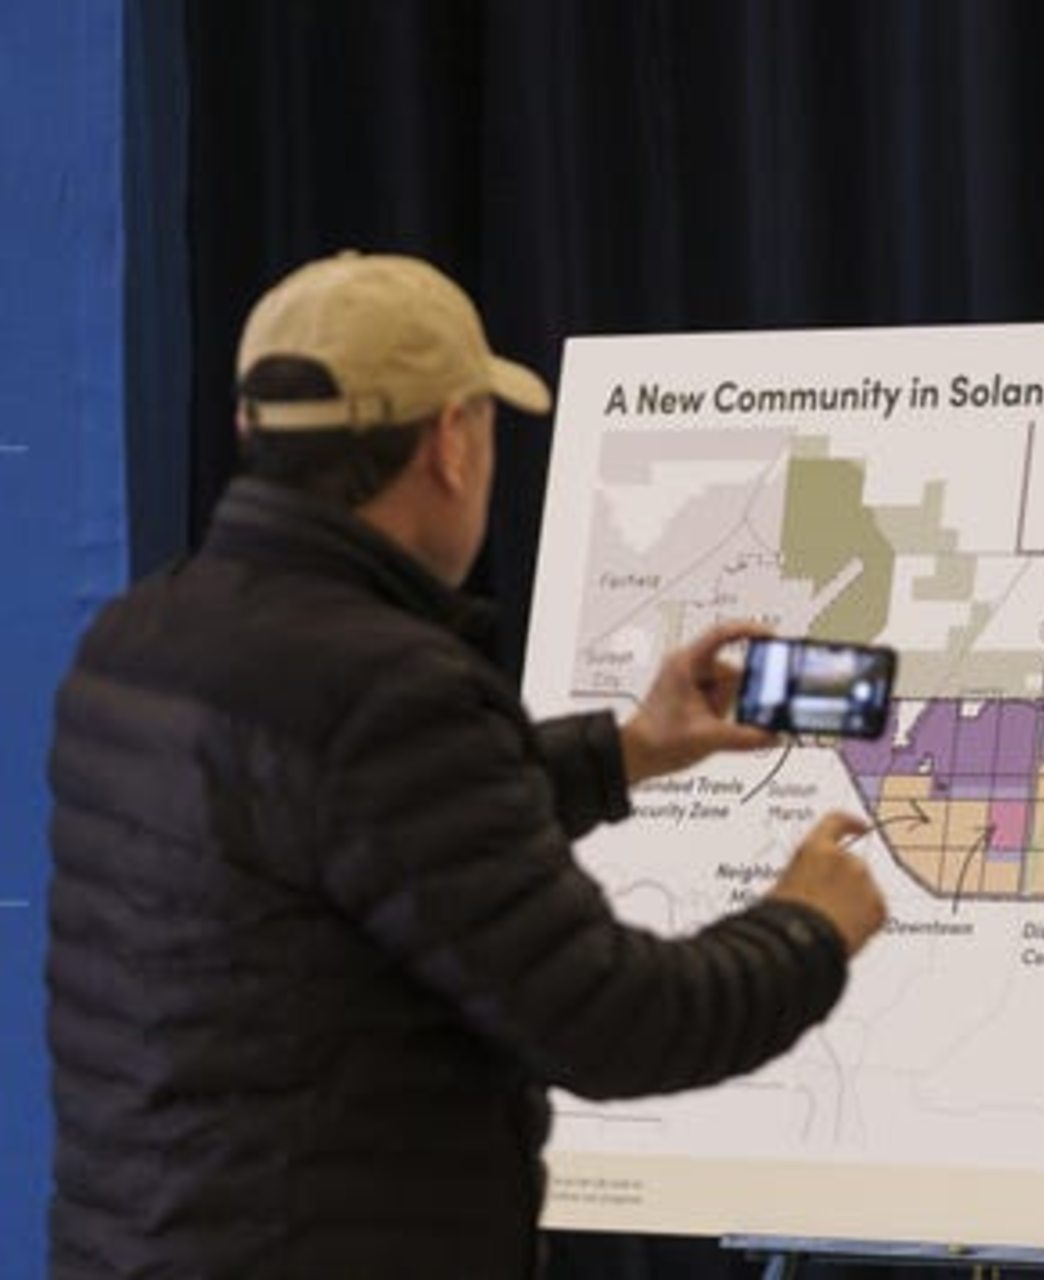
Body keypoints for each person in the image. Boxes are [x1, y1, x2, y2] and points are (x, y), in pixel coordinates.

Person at [45, 251, 888, 1277]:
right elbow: (615, 1023)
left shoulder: (137, 636)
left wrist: (627, 750)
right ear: (451, 441)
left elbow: (346, 830)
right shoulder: (384, 687)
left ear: (253, 428)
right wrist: (809, 923)